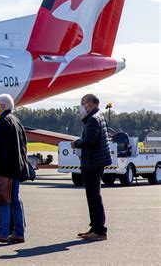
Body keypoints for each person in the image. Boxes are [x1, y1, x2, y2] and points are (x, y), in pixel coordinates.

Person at [0, 94, 26, 244]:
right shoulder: (16, 120)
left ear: (2, 106)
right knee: (15, 200)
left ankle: (3, 232)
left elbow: (0, 150)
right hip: (16, 167)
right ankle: (19, 232)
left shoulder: (2, 122)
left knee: (3, 200)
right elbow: (24, 145)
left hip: (6, 169)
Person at [71, 94, 111, 241]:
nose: (82, 106)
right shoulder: (97, 117)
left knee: (94, 196)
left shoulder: (93, 120)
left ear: (90, 104)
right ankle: (94, 227)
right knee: (93, 196)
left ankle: (99, 230)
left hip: (93, 162)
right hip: (95, 162)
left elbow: (90, 141)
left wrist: (76, 143)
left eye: (83, 103)